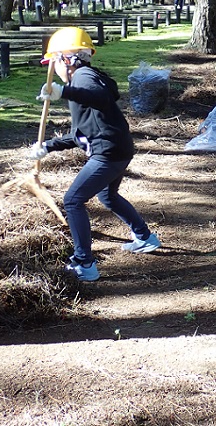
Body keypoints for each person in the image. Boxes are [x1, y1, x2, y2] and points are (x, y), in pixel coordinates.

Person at [28, 27, 160, 282]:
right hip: (118, 148)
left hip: (108, 153)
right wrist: (48, 146)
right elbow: (82, 132)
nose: (53, 69)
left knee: (73, 200)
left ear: (67, 58)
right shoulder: (89, 77)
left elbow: (99, 98)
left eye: (53, 62)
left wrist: (63, 92)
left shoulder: (83, 78)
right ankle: (145, 237)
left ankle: (84, 263)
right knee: (107, 195)